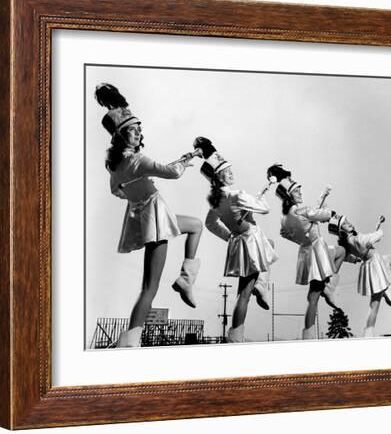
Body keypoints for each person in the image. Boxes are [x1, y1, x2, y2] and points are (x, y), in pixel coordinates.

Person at [95, 83, 203, 348]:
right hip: (156, 218)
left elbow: (116, 191)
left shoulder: (117, 166)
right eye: (133, 130)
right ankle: (130, 341)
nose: (138, 133)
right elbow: (172, 172)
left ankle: (185, 279)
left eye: (138, 130)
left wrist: (139, 196)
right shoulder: (137, 160)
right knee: (149, 289)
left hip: (149, 216)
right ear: (122, 136)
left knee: (196, 225)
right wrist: (186, 160)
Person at [196, 137, 278, 343]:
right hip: (251, 241)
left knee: (244, 291)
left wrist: (230, 236)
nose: (233, 173)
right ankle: (236, 335)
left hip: (240, 243)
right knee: (244, 294)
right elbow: (265, 208)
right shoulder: (237, 195)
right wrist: (261, 197)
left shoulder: (216, 202)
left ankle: (260, 287)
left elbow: (211, 224)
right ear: (220, 177)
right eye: (228, 171)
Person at [267, 164, 345, 340]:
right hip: (318, 251)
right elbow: (322, 214)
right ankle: (310, 332)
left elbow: (284, 233)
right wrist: (330, 212)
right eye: (297, 190)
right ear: (290, 194)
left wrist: (302, 239)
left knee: (339, 253)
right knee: (314, 296)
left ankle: (328, 287)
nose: (300, 192)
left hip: (306, 252)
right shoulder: (302, 210)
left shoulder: (285, 217)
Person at [329, 214, 391, 338]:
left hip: (370, 264)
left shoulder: (348, 243)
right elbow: (374, 237)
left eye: (347, 220)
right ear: (341, 230)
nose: (348, 223)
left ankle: (387, 290)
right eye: (344, 223)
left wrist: (378, 224)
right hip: (376, 264)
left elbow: (350, 256)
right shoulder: (357, 239)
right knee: (375, 305)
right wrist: (380, 231)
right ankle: (368, 333)